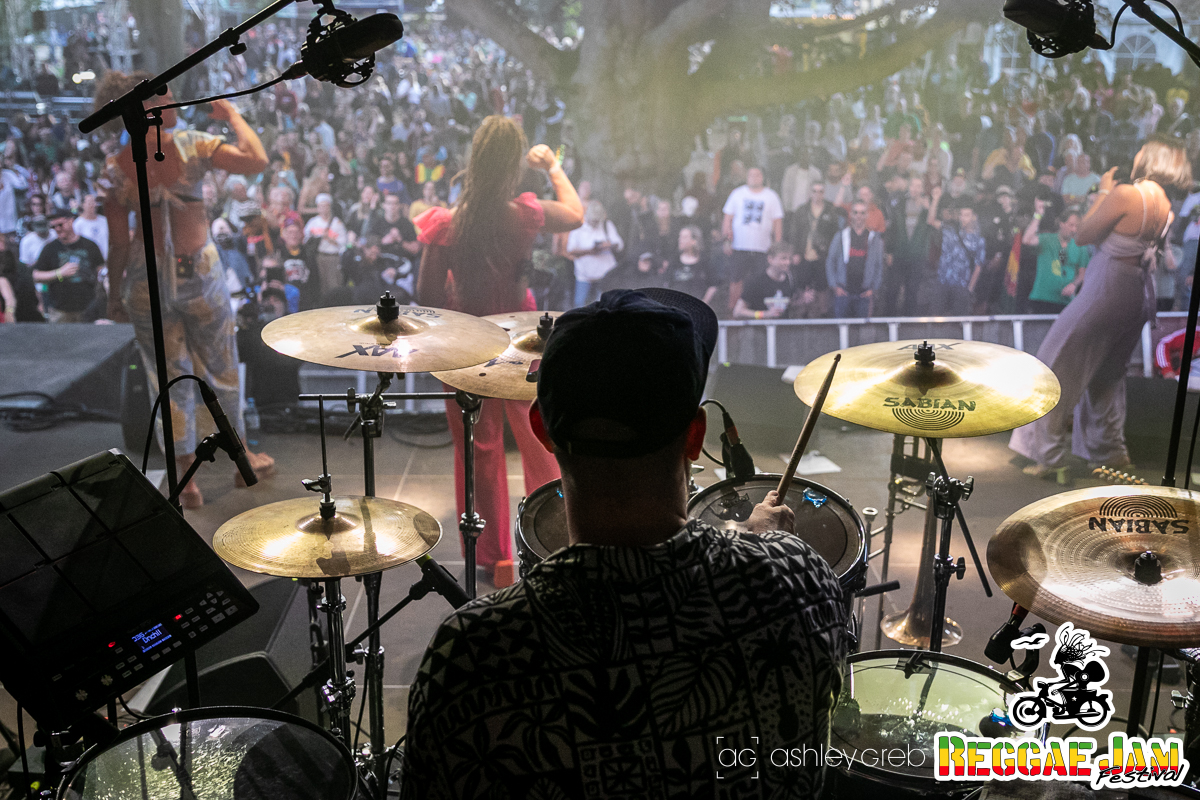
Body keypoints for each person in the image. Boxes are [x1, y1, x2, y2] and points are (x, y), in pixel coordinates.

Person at [400, 288, 849, 798]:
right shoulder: (800, 583)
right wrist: (759, 549)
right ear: (695, 435)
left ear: (542, 429)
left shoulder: (471, 658)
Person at [415, 115, 583, 588]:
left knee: (477, 449)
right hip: (522, 339)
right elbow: (575, 214)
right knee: (540, 441)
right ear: (513, 167)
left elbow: (427, 298)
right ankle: (550, 540)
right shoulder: (524, 214)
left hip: (465, 344)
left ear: (474, 161)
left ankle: (494, 559)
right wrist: (552, 166)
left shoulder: (446, 224)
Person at [94, 71, 274, 509]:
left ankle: (186, 480)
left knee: (166, 377)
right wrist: (232, 114)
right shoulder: (193, 145)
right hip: (199, 275)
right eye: (166, 93)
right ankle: (242, 460)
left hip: (145, 282)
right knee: (222, 368)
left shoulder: (115, 167)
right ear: (148, 104)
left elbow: (119, 244)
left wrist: (114, 294)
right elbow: (257, 160)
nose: (174, 99)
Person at [1010, 139, 1190, 476]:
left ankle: (1048, 455)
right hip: (1137, 293)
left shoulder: (1126, 194)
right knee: (1107, 375)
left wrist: (1104, 191)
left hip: (1108, 286)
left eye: (1143, 150)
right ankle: (1109, 452)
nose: (1137, 153)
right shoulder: (1165, 204)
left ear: (1152, 159)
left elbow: (1082, 234)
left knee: (1056, 362)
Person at [722, 166, 784, 311]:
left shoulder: (771, 196)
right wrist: (726, 241)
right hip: (739, 246)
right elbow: (727, 219)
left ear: (763, 177)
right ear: (747, 177)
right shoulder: (737, 194)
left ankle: (758, 310)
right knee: (736, 279)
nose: (754, 178)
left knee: (761, 280)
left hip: (763, 248)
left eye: (757, 175)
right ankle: (734, 312)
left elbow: (777, 222)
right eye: (751, 175)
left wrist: (777, 246)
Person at [31, 209, 104, 323]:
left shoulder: (90, 245)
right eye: (53, 227)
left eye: (60, 225)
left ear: (71, 221)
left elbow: (101, 269)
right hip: (60, 310)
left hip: (88, 307)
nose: (57, 229)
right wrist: (59, 273)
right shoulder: (50, 248)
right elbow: (36, 275)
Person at [926, 188, 987, 315]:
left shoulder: (979, 240)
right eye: (961, 215)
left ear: (974, 217)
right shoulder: (949, 229)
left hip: (962, 284)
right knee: (936, 316)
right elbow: (931, 221)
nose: (963, 218)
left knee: (959, 320)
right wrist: (935, 200)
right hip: (942, 280)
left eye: (967, 215)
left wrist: (970, 289)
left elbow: (978, 266)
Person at [1023, 202, 1089, 314]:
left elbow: (1083, 273)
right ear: (1061, 224)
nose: (1074, 229)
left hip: (1066, 302)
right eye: (1071, 225)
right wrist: (1038, 215)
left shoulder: (1080, 246)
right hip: (1042, 299)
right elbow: (1026, 240)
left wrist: (1074, 284)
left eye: (1077, 226)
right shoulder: (1047, 239)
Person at [826, 201, 884, 318]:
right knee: (842, 327)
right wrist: (834, 286)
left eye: (862, 213)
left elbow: (879, 266)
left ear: (867, 215)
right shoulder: (841, 236)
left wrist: (873, 289)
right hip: (843, 292)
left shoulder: (874, 239)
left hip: (864, 293)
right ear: (851, 214)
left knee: (862, 328)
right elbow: (830, 261)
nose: (859, 216)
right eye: (856, 212)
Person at [566, 200, 623, 307]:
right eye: (593, 220)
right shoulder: (578, 228)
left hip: (605, 274)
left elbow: (619, 244)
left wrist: (608, 245)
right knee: (580, 305)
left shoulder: (606, 225)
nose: (595, 223)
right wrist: (591, 250)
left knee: (606, 306)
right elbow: (570, 250)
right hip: (584, 276)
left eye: (597, 221)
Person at [734, 240, 797, 319]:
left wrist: (803, 301)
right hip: (759, 326)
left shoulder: (790, 279)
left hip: (782, 326)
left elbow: (791, 305)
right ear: (770, 259)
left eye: (789, 259)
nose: (787, 262)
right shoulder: (756, 281)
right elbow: (738, 312)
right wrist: (764, 314)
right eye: (783, 258)